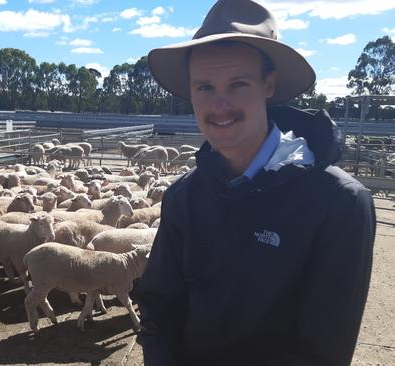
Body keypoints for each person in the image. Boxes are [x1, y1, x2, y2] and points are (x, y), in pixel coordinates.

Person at [132, 1, 376, 365]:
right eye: (204, 87)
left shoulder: (338, 204)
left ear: (269, 85)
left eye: (238, 84)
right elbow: (159, 306)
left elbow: (323, 350)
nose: (219, 105)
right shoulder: (185, 194)